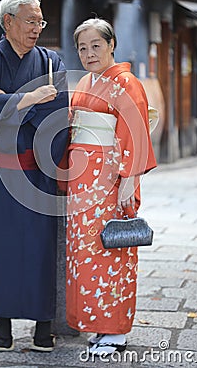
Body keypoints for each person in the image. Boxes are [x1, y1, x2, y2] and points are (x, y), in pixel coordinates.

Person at [0, 0, 68, 353]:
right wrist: (29, 98)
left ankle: (44, 327)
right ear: (8, 21)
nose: (38, 28)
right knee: (3, 246)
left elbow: (56, 112)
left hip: (39, 167)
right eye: (31, 21)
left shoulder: (50, 61)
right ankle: (4, 326)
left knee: (42, 248)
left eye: (40, 21)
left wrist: (9, 101)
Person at [66, 18, 157, 356]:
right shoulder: (87, 82)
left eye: (96, 45)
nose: (89, 53)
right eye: (82, 47)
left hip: (109, 179)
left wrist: (129, 179)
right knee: (85, 252)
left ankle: (115, 329)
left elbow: (133, 131)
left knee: (109, 250)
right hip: (81, 179)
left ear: (111, 44)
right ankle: (96, 323)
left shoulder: (126, 82)